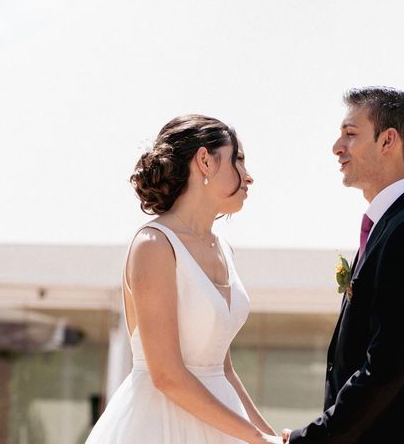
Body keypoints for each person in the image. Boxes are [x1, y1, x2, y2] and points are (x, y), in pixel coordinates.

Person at [283, 87, 404, 443]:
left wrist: (309, 439)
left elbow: (385, 368)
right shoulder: (394, 227)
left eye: (350, 134)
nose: (337, 147)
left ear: (389, 141)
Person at [86, 115, 281, 444]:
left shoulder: (224, 249)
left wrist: (271, 436)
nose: (249, 177)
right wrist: (257, 438)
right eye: (239, 160)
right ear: (205, 160)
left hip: (225, 426)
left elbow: (225, 370)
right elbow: (167, 376)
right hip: (158, 426)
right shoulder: (154, 245)